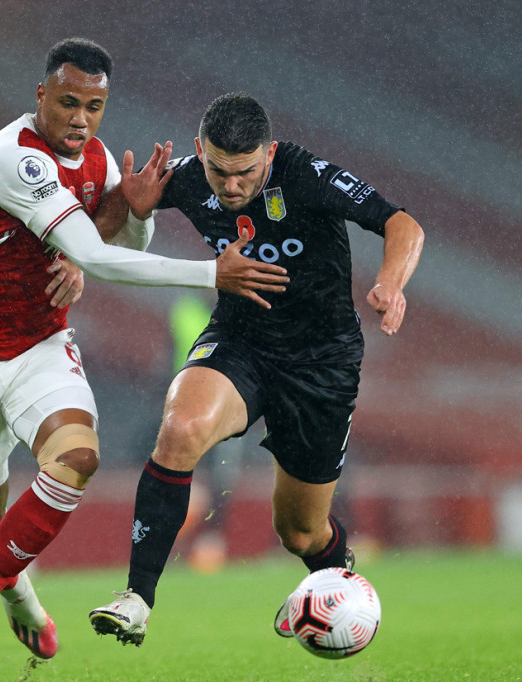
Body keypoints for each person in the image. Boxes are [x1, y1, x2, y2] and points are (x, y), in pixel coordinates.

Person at [0, 41, 288, 661]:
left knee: (78, 457)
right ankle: (19, 600)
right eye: (67, 103)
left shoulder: (96, 159)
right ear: (41, 98)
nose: (81, 118)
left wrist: (135, 210)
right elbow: (91, 253)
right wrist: (208, 273)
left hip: (40, 344)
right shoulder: (17, 155)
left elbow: (122, 246)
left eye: (94, 105)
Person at [88, 92, 425, 646]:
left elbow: (401, 223)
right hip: (240, 340)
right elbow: (99, 238)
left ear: (268, 153)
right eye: (219, 170)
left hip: (322, 361)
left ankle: (344, 597)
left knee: (299, 530)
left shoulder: (307, 174)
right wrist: (131, 207)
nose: (232, 186)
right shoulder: (185, 176)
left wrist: (390, 282)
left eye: (245, 172)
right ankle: (137, 598)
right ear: (200, 152)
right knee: (180, 429)